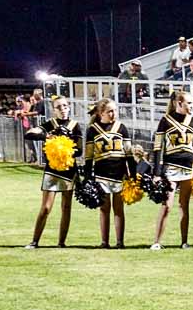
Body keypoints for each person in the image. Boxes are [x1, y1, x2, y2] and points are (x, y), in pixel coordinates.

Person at [23, 96, 83, 249]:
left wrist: (64, 149)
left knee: (66, 207)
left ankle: (61, 242)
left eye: (65, 106)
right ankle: (34, 241)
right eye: (59, 107)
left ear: (69, 107)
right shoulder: (50, 124)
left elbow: (80, 151)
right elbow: (29, 134)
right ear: (54, 110)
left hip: (69, 170)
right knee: (46, 208)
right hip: (52, 170)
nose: (62, 109)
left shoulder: (75, 126)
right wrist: (47, 136)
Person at [150, 90, 193, 250]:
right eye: (188, 103)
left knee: (184, 205)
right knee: (167, 205)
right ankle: (157, 242)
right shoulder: (165, 121)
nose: (191, 106)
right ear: (178, 103)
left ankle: (184, 242)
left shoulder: (191, 120)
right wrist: (157, 173)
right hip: (170, 168)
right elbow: (158, 148)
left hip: (188, 168)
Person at [84, 98, 136, 249]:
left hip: (119, 174)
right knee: (104, 209)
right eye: (110, 111)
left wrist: (132, 175)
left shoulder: (122, 128)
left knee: (119, 210)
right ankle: (104, 242)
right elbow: (88, 158)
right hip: (101, 175)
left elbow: (129, 154)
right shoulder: (92, 130)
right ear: (101, 113)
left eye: (115, 110)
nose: (113, 114)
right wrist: (87, 178)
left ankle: (120, 242)